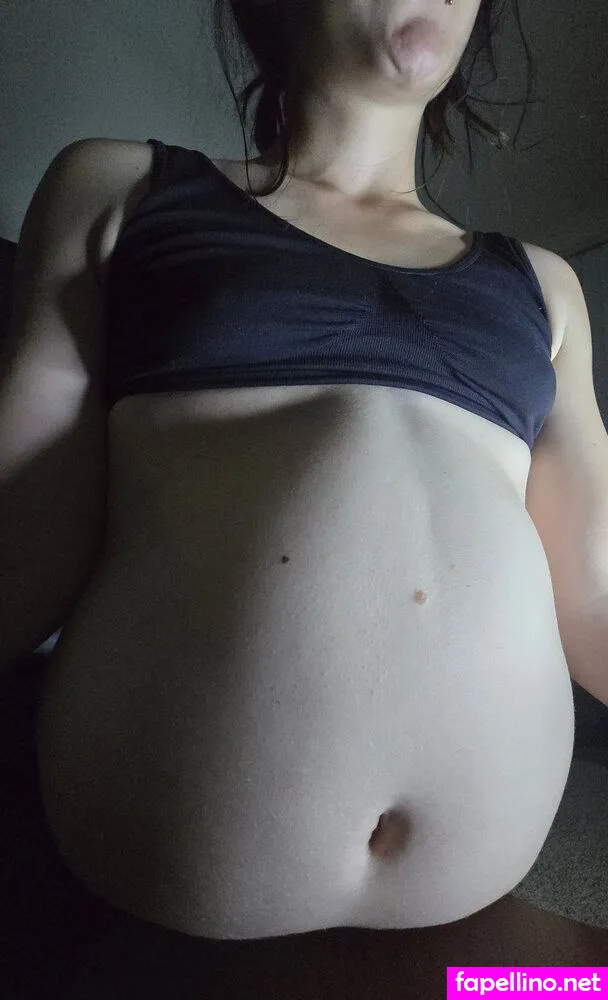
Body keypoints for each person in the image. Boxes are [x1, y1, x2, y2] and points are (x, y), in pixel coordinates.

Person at [2, 0, 607, 996]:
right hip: (174, 911)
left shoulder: (544, 288)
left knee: (572, 982)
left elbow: (592, 597)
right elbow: (25, 539)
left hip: (473, 942)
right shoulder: (120, 190)